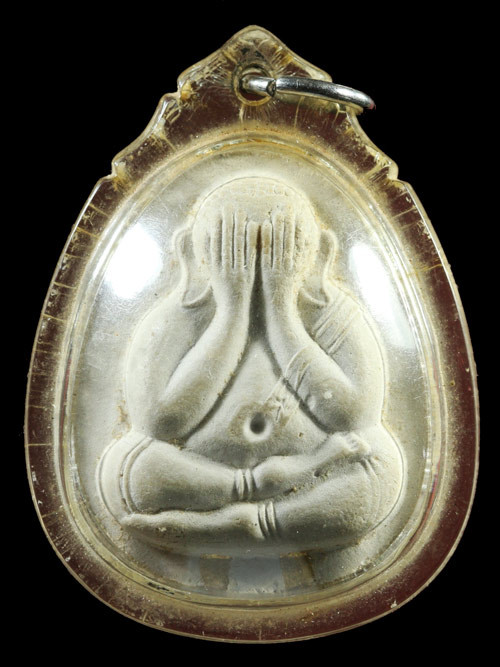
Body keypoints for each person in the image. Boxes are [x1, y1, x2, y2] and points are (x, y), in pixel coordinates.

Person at [98, 177, 403, 557]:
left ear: (320, 253)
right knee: (127, 469)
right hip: (202, 478)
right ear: (191, 251)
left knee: (382, 468)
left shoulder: (335, 314)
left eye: (283, 244)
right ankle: (249, 506)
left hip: (314, 479)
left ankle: (242, 525)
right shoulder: (178, 315)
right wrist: (232, 310)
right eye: (230, 245)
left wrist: (281, 309)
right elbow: (161, 422)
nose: (255, 260)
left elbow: (353, 416)